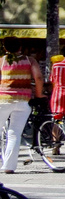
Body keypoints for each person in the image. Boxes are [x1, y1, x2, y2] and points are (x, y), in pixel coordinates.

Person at [0, 41, 41, 174]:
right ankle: (9, 167)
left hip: (4, 100)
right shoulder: (30, 61)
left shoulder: (2, 60)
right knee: (14, 134)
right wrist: (39, 94)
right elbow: (39, 78)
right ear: (21, 47)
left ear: (5, 48)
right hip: (23, 101)